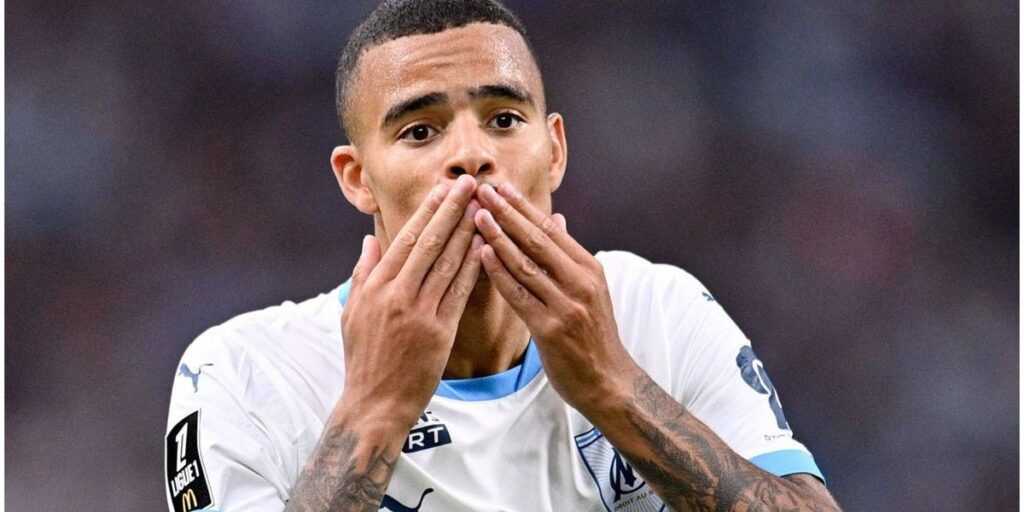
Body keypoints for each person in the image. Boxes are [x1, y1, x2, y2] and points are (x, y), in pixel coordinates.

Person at [165, 1, 843, 511]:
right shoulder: (246, 373)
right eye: (421, 130)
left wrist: (614, 388)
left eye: (504, 119)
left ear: (555, 151)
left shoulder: (656, 310)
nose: (471, 154)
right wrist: (374, 411)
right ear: (357, 177)